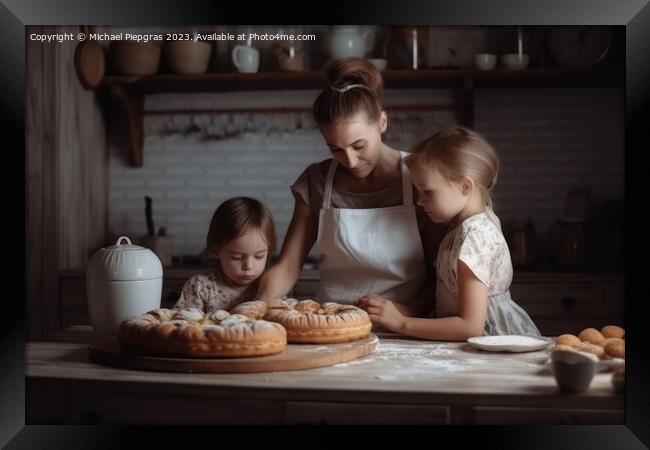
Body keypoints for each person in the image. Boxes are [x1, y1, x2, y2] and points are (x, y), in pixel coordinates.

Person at [257, 57, 446, 312]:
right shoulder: (317, 181)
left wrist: (405, 313)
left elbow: (441, 273)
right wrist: (265, 297)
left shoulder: (419, 177)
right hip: (331, 322)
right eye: (335, 148)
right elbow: (289, 266)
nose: (350, 161)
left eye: (359, 146)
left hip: (406, 325)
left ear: (382, 122)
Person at [357, 126, 541, 340]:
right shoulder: (462, 226)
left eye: (427, 191)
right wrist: (405, 310)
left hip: (490, 345)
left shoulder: (475, 236)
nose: (420, 200)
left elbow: (470, 326)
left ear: (465, 186)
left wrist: (401, 322)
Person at [174, 197, 276, 313]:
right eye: (236, 257)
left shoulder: (273, 286)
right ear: (217, 251)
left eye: (259, 256)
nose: (248, 266)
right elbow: (181, 325)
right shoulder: (200, 287)